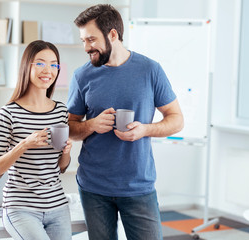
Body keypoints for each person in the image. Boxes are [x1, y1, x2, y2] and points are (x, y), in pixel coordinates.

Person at [67, 4, 184, 240]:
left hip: (138, 185)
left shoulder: (150, 70)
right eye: (83, 40)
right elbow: (70, 127)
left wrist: (145, 130)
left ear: (113, 34)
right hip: (93, 187)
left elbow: (177, 119)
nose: (87, 47)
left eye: (91, 39)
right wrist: (91, 125)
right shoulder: (82, 76)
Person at [0, 40, 72, 240]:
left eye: (54, 64)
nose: (48, 70)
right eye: (41, 63)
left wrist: (67, 152)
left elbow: (60, 167)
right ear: (27, 66)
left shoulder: (61, 111)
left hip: (57, 205)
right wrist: (24, 144)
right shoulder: (8, 114)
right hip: (20, 207)